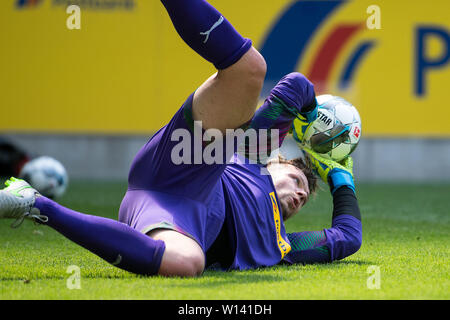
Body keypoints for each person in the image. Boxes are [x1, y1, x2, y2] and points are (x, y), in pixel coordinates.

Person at [0, 0, 362, 277]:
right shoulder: (254, 159)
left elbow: (348, 238)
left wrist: (339, 177)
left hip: (169, 215)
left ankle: (33, 203)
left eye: (304, 196)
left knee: (187, 262)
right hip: (188, 165)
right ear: (278, 162)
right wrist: (314, 115)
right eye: (298, 180)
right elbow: (296, 86)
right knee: (248, 70)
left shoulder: (282, 246)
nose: (300, 194)